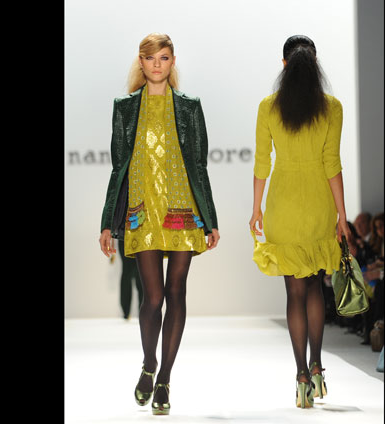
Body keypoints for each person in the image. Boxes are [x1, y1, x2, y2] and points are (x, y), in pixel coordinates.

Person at [98, 33, 220, 416]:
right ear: (141, 61)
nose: (156, 64)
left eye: (163, 58)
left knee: (176, 292)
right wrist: (107, 223)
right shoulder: (124, 108)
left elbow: (198, 165)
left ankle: (164, 377)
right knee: (152, 298)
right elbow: (118, 168)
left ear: (172, 61)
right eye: (150, 58)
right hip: (142, 211)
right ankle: (149, 363)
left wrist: (211, 220)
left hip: (183, 209)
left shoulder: (189, 107)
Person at [249, 35, 351, 409]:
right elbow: (332, 164)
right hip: (319, 204)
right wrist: (342, 215)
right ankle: (318, 365)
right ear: (315, 63)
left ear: (284, 65)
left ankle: (301, 376)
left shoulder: (268, 107)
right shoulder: (332, 108)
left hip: (283, 204)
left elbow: (262, 162)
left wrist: (256, 209)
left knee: (294, 291)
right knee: (314, 287)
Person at [117, 240, 142, 320]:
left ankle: (128, 312)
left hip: (134, 239)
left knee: (136, 274)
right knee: (136, 274)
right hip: (126, 239)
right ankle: (128, 311)